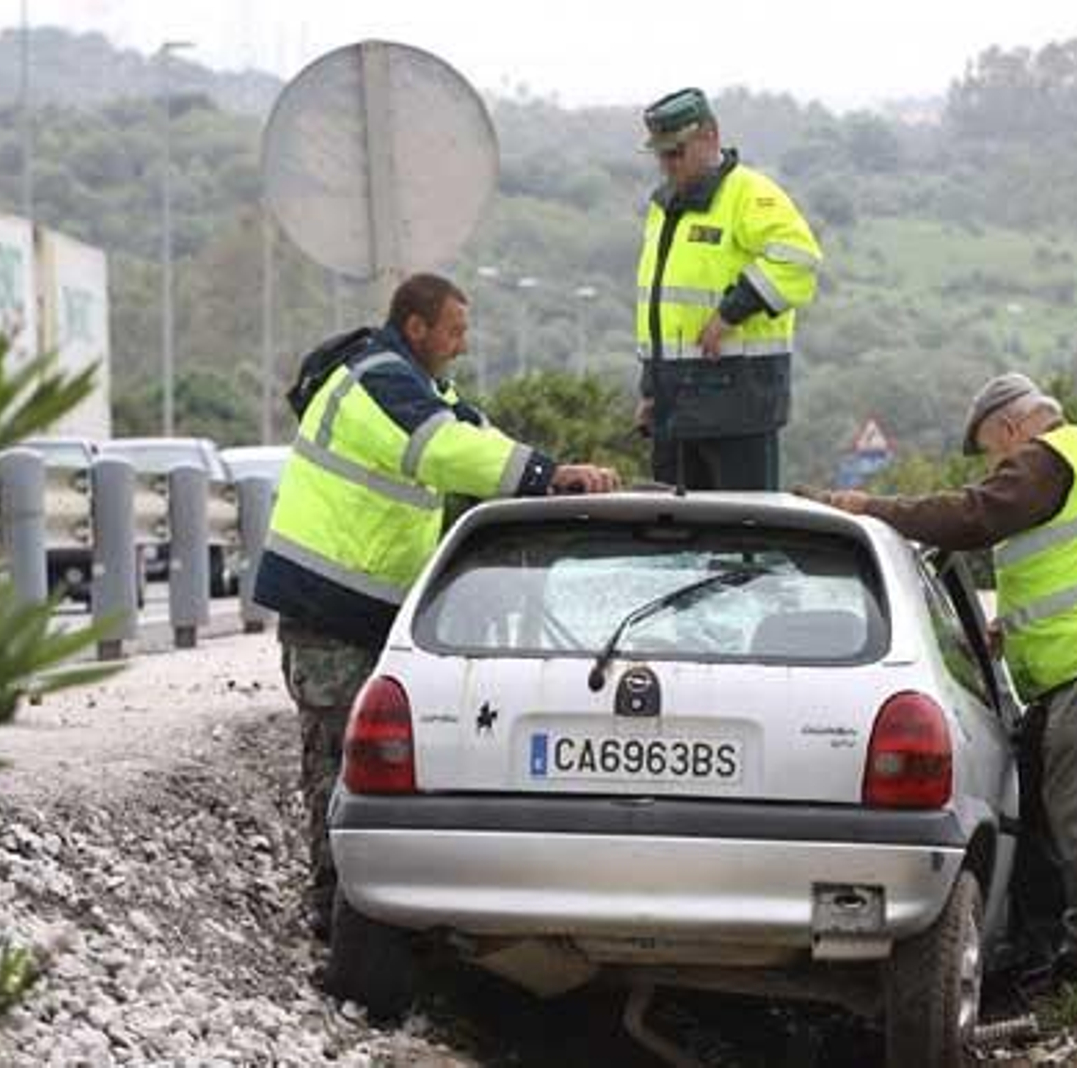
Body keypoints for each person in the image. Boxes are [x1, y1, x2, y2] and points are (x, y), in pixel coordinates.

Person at [254, 273, 620, 938]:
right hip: (325, 609)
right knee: (339, 769)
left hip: (363, 610)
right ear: (416, 327)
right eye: (454, 330)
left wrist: (553, 475)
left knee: (363, 771)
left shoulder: (421, 387)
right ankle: (336, 921)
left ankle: (365, 918)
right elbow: (444, 449)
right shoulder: (378, 382)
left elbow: (475, 435)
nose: (463, 344)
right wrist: (545, 474)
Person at [807, 372, 1077, 976]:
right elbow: (1076, 566)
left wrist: (871, 508)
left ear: (1010, 426)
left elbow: (973, 516)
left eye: (990, 453)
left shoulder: (1047, 456)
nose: (994, 467)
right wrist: (1013, 628)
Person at [633, 87, 822, 491]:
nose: (667, 164)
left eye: (676, 152)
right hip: (674, 408)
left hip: (739, 403)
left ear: (710, 136)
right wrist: (650, 389)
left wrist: (730, 313)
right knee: (676, 526)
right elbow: (661, 312)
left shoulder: (751, 195)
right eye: (661, 154)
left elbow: (799, 260)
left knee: (744, 524)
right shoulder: (664, 206)